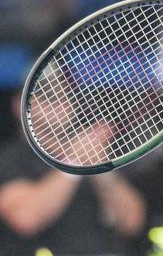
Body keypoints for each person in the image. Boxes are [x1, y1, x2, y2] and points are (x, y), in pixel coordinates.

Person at [0, 92, 146, 255]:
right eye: (47, 98)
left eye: (65, 97)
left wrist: (101, 170)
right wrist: (75, 161)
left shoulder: (98, 153)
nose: (57, 106)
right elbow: (26, 219)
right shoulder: (10, 159)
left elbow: (132, 223)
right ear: (18, 104)